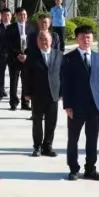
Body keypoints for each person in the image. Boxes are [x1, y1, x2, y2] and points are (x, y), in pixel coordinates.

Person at [62, 25, 99, 180]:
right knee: (73, 139)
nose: (86, 40)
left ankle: (90, 169)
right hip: (76, 106)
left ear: (92, 38)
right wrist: (67, 105)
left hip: (95, 106)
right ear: (77, 39)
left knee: (92, 139)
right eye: (82, 37)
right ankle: (73, 169)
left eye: (88, 37)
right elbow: (65, 83)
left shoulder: (98, 58)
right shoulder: (68, 58)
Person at [23, 30, 62, 158]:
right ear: (37, 41)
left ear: (51, 40)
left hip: (53, 93)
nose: (43, 41)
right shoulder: (32, 55)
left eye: (46, 39)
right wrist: (26, 92)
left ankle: (48, 146)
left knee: (51, 122)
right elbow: (26, 75)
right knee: (37, 121)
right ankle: (37, 146)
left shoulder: (59, 55)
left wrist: (62, 92)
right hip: (37, 93)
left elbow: (63, 75)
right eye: (40, 39)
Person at [6, 8, 31, 111]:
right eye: (20, 14)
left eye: (24, 14)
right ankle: (13, 103)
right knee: (14, 82)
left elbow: (33, 43)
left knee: (26, 81)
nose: (23, 16)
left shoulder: (32, 28)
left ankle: (25, 103)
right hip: (14, 58)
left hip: (27, 59)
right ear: (16, 16)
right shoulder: (10, 28)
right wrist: (18, 54)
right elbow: (8, 44)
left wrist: (26, 55)